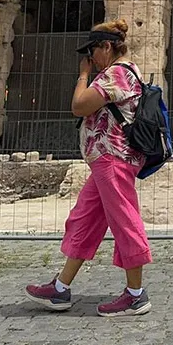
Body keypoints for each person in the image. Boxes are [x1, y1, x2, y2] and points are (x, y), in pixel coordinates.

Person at [24, 19, 153, 318]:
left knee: (125, 221)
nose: (90, 58)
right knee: (84, 219)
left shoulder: (117, 73)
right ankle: (60, 288)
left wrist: (83, 75)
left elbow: (79, 105)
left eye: (92, 51)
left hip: (113, 159)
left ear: (106, 46)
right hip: (104, 161)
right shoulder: (119, 72)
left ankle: (136, 295)